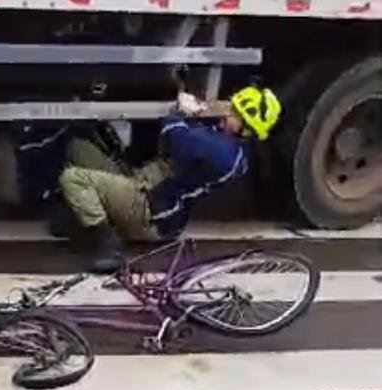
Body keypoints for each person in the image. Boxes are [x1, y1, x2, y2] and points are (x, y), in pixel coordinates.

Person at [59, 83, 282, 272]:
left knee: (74, 178)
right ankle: (87, 218)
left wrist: (180, 112)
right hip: (143, 184)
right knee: (79, 148)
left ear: (246, 125)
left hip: (150, 210)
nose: (227, 113)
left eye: (234, 112)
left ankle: (109, 246)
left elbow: (173, 135)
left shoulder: (223, 152)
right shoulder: (225, 141)